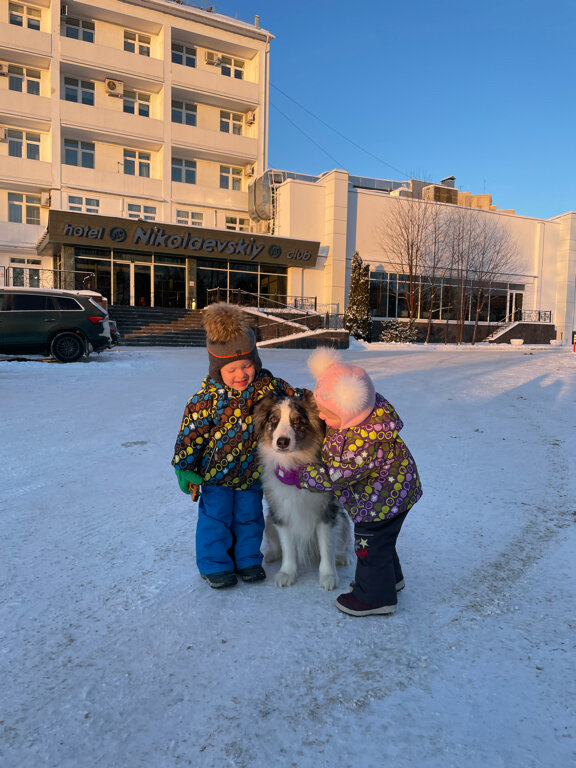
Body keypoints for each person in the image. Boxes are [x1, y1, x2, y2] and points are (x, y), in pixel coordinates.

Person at [275, 347, 422, 616]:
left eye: (328, 415)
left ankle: (374, 597)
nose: (322, 418)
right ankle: (392, 580)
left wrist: (302, 475)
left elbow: (336, 475)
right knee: (384, 544)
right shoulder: (360, 420)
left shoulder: (364, 441)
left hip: (382, 502)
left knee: (369, 547)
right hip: (395, 494)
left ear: (350, 409)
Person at [172, 302, 302, 589]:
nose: (241, 374)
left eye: (247, 366)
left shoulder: (266, 386)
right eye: (232, 369)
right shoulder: (206, 399)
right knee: (215, 520)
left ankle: (247, 561)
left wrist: (323, 398)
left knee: (250, 519)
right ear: (218, 369)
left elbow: (297, 395)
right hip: (215, 477)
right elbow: (190, 435)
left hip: (251, 474)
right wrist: (185, 467)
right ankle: (214, 565)